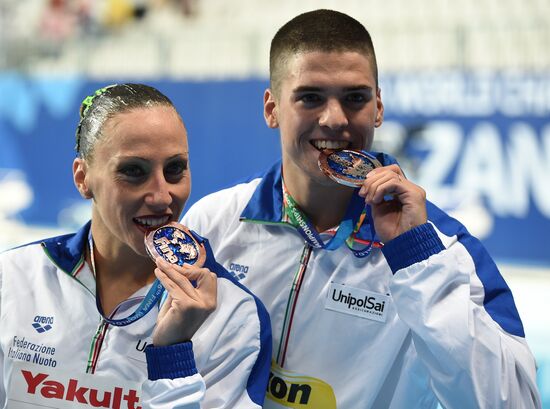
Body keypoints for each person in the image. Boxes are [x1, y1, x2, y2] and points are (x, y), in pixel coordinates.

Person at [182, 9, 542, 409]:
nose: (334, 119)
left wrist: (416, 261)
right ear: (272, 109)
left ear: (378, 108)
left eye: (355, 98)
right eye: (310, 97)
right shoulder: (212, 224)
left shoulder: (441, 248)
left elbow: (513, 402)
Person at [0, 83, 271, 409]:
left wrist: (173, 356)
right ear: (83, 178)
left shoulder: (233, 314)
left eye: (175, 169)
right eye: (133, 171)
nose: (161, 197)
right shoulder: (13, 278)